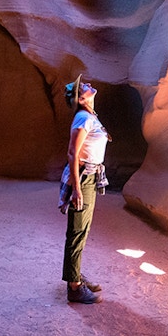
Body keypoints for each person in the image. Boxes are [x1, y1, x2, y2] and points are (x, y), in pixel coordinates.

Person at [60, 74, 110, 304]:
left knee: (83, 229)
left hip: (90, 174)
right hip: (83, 177)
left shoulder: (90, 116)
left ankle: (76, 274)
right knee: (77, 229)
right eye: (85, 87)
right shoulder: (82, 118)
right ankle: (74, 287)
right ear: (81, 99)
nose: (90, 85)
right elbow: (73, 153)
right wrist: (77, 189)